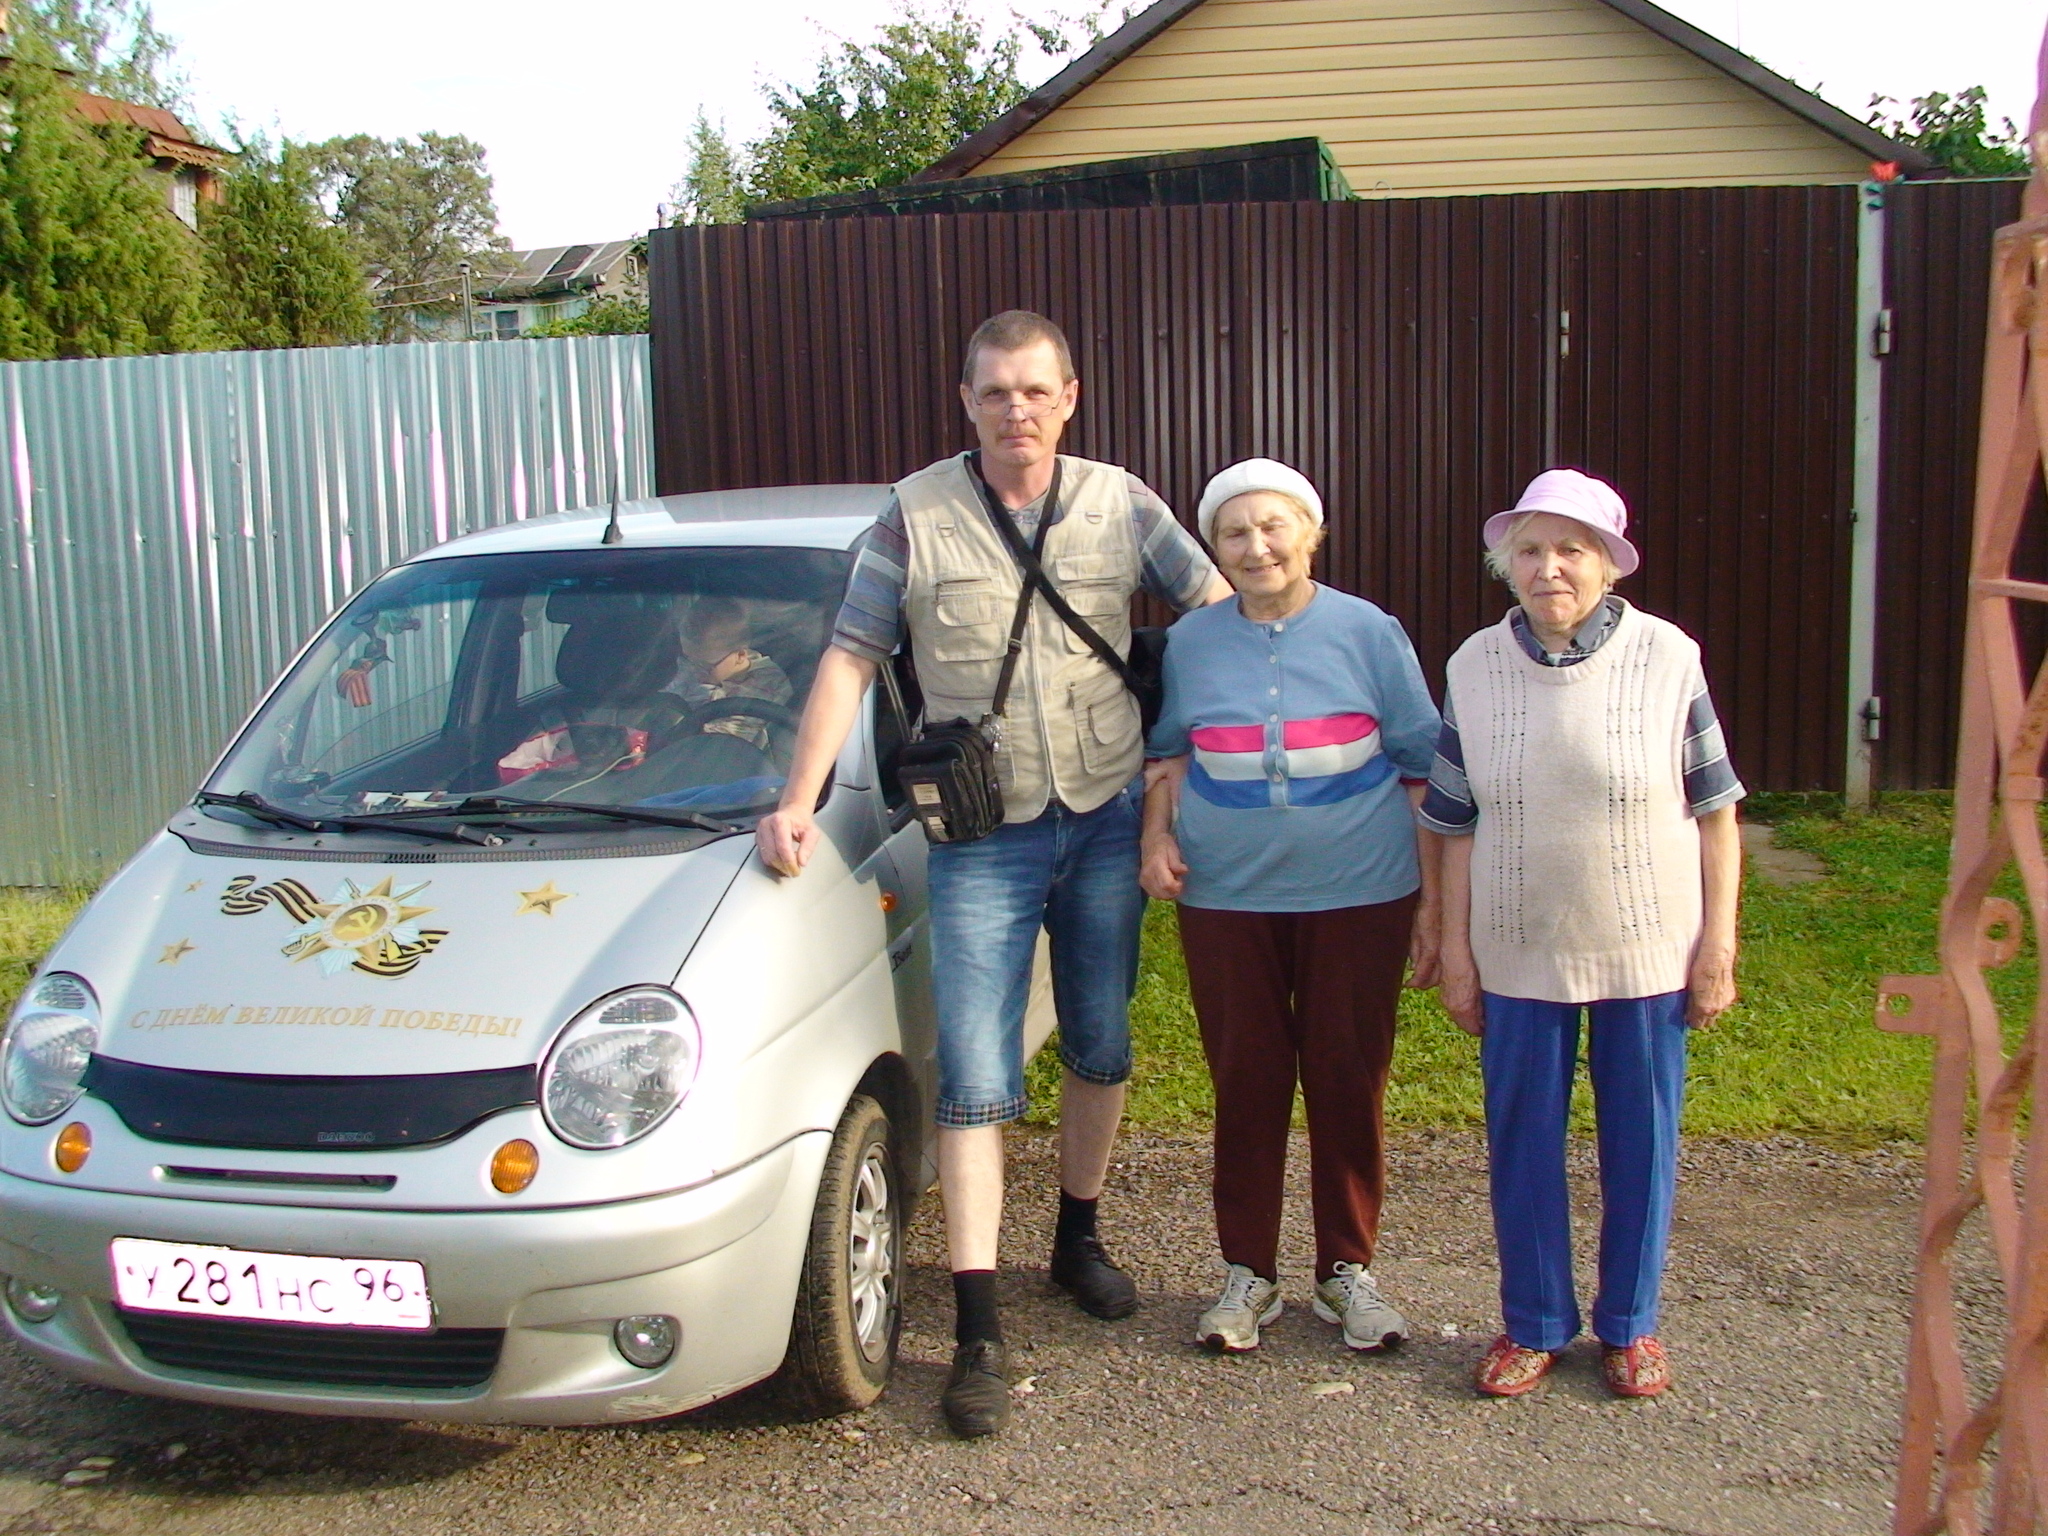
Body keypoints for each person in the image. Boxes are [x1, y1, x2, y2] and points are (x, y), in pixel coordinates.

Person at [755, 309, 1229, 1438]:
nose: (1013, 410)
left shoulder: (1123, 504)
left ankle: (1077, 1237)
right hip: (979, 835)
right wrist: (796, 797)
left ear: (1069, 396)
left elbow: (1217, 618)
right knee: (972, 1073)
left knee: (1102, 1042)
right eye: (992, 394)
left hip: (1107, 816)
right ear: (964, 402)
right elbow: (849, 659)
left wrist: (1190, 769)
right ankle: (975, 1326)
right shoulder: (911, 516)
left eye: (1033, 390)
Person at [1423, 468, 1744, 1400]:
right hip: (1518, 944)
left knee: (1641, 1138)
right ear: (1505, 563)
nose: (1548, 567)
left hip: (1647, 947)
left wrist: (1716, 947)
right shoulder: (1474, 666)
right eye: (1529, 549)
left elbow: (1716, 812)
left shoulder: (1667, 657)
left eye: (1571, 549)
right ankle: (1533, 1324)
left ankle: (1631, 1326)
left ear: (1607, 562)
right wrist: (1451, 945)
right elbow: (1452, 819)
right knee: (1521, 1139)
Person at [1139, 459, 1440, 1356]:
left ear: (1312, 532)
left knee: (1350, 1074)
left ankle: (1347, 1271)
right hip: (1227, 897)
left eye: (1274, 527)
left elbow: (1424, 768)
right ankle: (1248, 1273)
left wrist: (1433, 904)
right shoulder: (1191, 641)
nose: (1256, 546)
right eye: (1234, 532)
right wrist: (1156, 837)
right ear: (1216, 549)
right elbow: (1168, 757)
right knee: (1247, 1077)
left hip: (1362, 890)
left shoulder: (1368, 632)